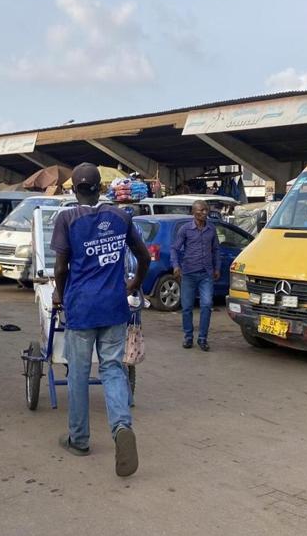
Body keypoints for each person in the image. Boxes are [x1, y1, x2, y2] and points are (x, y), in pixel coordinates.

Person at [52, 163, 151, 477]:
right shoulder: (121, 217)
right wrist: (133, 284)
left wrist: (59, 293)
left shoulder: (67, 218)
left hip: (81, 307)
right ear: (101, 188)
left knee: (79, 374)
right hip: (113, 306)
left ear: (73, 189)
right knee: (112, 369)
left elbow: (60, 268)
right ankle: (121, 427)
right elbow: (144, 256)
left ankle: (79, 439)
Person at [171, 200, 221, 352]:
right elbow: (174, 248)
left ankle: (203, 338)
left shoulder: (211, 229)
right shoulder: (185, 229)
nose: (204, 213)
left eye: (206, 210)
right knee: (187, 307)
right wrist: (176, 266)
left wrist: (217, 268)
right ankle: (188, 336)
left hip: (206, 274)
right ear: (194, 212)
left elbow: (216, 250)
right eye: (201, 210)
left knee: (206, 305)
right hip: (189, 273)